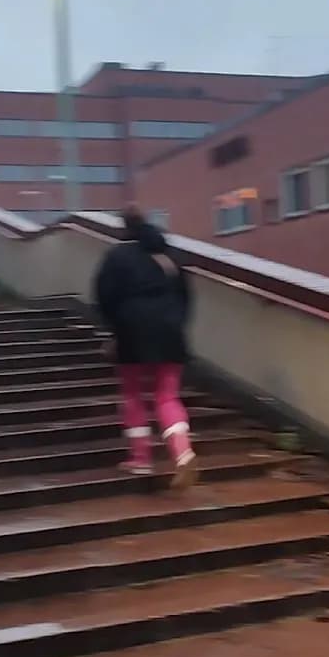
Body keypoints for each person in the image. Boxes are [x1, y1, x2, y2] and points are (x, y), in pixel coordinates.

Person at [95, 207, 196, 487]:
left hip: (132, 331)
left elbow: (105, 296)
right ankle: (182, 452)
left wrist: (113, 332)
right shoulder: (171, 256)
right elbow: (186, 298)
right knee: (167, 396)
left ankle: (141, 459)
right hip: (171, 334)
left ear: (123, 227)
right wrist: (176, 325)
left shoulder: (118, 256)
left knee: (133, 394)